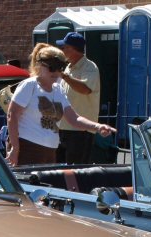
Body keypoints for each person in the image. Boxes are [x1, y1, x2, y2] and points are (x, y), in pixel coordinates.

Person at [7, 44, 114, 167]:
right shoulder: (30, 85)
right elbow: (12, 115)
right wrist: (15, 148)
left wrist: (97, 126)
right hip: (28, 147)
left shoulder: (58, 89)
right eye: (52, 67)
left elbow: (74, 118)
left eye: (60, 68)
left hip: (50, 150)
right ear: (39, 65)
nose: (56, 72)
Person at [54, 32, 101, 165]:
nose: (61, 50)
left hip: (80, 131)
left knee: (77, 170)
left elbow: (85, 90)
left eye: (64, 47)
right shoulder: (68, 67)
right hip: (63, 127)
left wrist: (65, 77)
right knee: (60, 170)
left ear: (73, 49)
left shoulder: (90, 68)